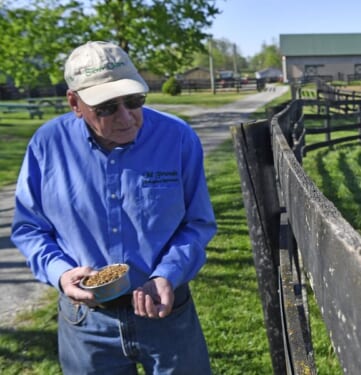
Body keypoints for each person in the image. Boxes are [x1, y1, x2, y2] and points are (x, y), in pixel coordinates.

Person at [11, 41, 217, 374]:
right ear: (75, 103)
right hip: (86, 323)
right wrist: (61, 273)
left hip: (166, 313)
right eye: (106, 107)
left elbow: (197, 223)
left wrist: (167, 274)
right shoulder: (48, 145)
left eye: (134, 101)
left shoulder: (177, 138)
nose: (126, 117)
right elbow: (29, 227)